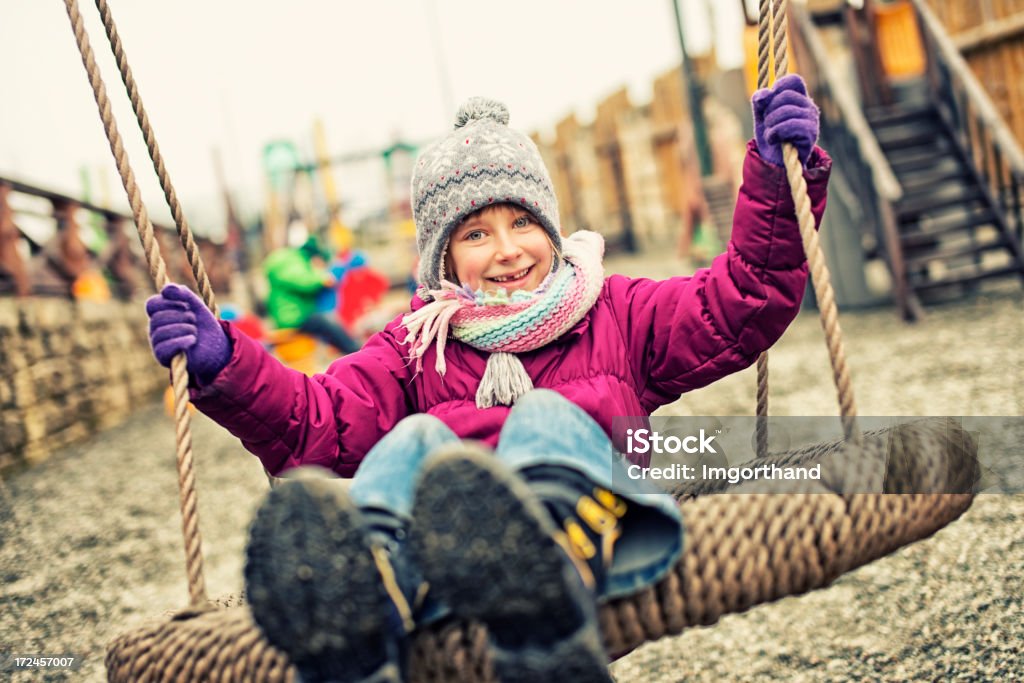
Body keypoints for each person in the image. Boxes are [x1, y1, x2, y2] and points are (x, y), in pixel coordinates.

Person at [145, 77, 827, 683]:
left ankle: (540, 584)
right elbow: (314, 419)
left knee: (546, 418)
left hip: (590, 537)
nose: (507, 250)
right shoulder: (418, 347)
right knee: (415, 439)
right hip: (447, 565)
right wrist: (227, 365)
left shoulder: (616, 313)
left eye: (523, 221)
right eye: (475, 233)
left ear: (551, 229)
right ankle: (360, 602)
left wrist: (775, 178)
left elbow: (740, 297)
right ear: (442, 256)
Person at [262, 235, 361, 353]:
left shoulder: (295, 261)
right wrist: (324, 278)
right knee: (326, 321)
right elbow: (303, 281)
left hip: (297, 314)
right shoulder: (293, 261)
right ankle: (354, 350)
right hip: (293, 317)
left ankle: (349, 349)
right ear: (315, 257)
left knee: (327, 324)